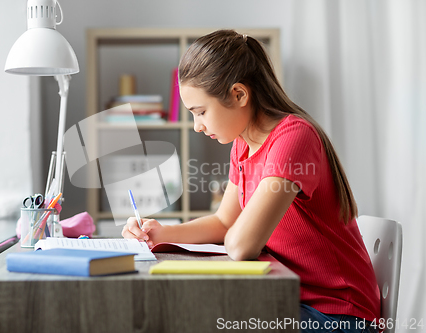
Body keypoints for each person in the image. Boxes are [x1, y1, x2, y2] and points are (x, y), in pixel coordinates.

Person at [122, 29, 380, 333]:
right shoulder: (242, 146)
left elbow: (241, 244)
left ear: (239, 94)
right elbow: (224, 222)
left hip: (336, 315)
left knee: (202, 318)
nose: (197, 126)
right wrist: (162, 232)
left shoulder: (294, 137)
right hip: (290, 299)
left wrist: (234, 235)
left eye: (201, 112)